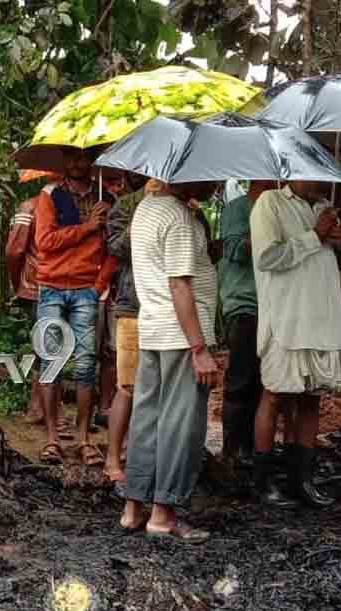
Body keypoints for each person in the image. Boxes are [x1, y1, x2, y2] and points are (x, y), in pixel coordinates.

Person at [118, 181, 219, 542]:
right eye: (213, 176)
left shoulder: (146, 207)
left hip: (154, 329)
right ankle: (163, 514)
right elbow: (179, 285)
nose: (218, 184)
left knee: (147, 417)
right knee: (180, 424)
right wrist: (199, 348)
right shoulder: (178, 216)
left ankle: (133, 508)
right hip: (180, 335)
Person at [250, 182, 341, 507]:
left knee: (313, 399)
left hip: (322, 320)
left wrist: (339, 245)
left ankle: (303, 480)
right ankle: (263, 482)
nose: (316, 179)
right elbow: (268, 258)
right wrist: (315, 234)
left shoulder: (326, 208)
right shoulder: (270, 203)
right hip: (285, 320)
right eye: (309, 172)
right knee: (273, 395)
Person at [33, 147, 108, 466]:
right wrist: (87, 227)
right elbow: (45, 242)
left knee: (86, 364)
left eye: (85, 158)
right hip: (51, 286)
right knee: (51, 360)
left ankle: (84, 439)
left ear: (93, 162)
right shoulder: (50, 194)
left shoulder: (107, 200)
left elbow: (112, 249)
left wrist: (99, 284)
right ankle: (52, 438)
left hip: (86, 290)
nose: (80, 164)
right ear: (65, 161)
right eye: (74, 158)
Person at [217, 180, 278, 473]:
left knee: (264, 380)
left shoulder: (280, 207)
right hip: (243, 301)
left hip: (272, 303)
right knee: (241, 378)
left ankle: (254, 446)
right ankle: (232, 450)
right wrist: (266, 230)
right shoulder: (237, 209)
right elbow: (236, 250)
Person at [103, 175, 152, 483]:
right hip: (133, 304)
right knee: (128, 386)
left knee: (155, 389)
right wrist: (143, 215)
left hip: (170, 309)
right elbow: (116, 249)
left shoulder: (187, 206)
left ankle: (140, 457)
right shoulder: (125, 206)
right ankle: (112, 459)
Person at [6, 195, 47, 425]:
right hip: (39, 285)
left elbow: (13, 252)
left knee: (47, 345)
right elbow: (14, 251)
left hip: (39, 285)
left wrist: (18, 283)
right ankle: (38, 405)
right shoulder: (30, 206)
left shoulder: (30, 205)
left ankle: (40, 406)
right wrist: (19, 283)